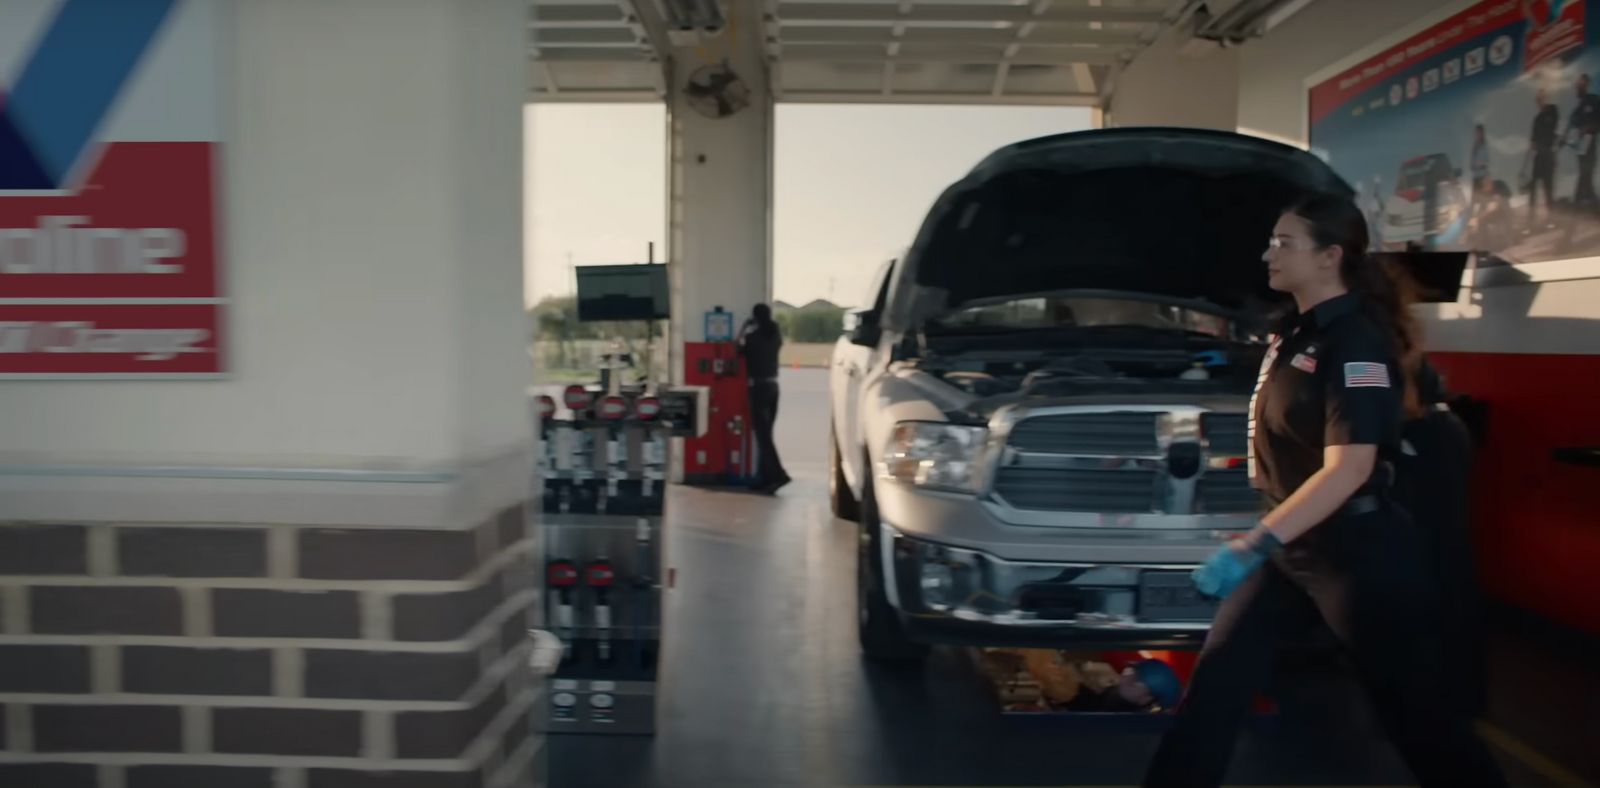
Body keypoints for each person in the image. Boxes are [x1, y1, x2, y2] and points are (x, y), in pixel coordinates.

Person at [1141, 194, 1507, 788]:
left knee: (1420, 721)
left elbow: (1349, 468)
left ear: (1330, 256)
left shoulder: (1356, 344)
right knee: (1217, 689)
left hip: (1356, 556)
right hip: (1290, 548)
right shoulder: (1292, 335)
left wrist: (1255, 542)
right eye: (1271, 241)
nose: (1269, 254)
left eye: (1285, 243)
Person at [738, 303, 791, 495]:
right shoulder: (776, 336)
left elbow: (737, 349)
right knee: (766, 435)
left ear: (755, 318)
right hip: (773, 388)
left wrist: (744, 328)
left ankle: (779, 475)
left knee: (763, 437)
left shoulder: (752, 338)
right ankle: (765, 478)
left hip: (758, 388)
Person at [1528, 87, 1560, 231]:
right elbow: (1533, 142)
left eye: (1543, 97)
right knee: (1533, 188)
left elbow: (1553, 126)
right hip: (1539, 157)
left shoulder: (1552, 110)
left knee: (1548, 189)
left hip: (1548, 155)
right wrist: (1534, 145)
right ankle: (1530, 222)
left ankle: (1551, 221)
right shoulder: (1536, 119)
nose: (1541, 101)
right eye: (1539, 99)